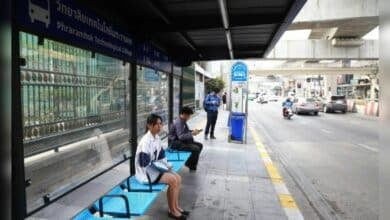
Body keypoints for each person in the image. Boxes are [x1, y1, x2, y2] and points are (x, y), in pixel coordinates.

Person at [135, 114, 189, 219]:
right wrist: (160, 169)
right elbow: (143, 164)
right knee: (172, 180)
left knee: (178, 177)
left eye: (161, 124)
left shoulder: (156, 138)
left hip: (154, 168)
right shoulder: (145, 141)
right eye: (157, 124)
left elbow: (161, 156)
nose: (160, 127)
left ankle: (175, 207)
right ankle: (172, 211)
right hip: (146, 173)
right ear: (150, 125)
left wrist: (168, 166)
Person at [168, 107, 203, 172]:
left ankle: (189, 162)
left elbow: (184, 132)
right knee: (196, 148)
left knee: (200, 145)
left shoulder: (182, 121)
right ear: (184, 114)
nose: (189, 117)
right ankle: (191, 166)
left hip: (181, 141)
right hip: (176, 143)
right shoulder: (179, 122)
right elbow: (181, 136)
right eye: (189, 115)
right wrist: (192, 133)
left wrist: (192, 131)